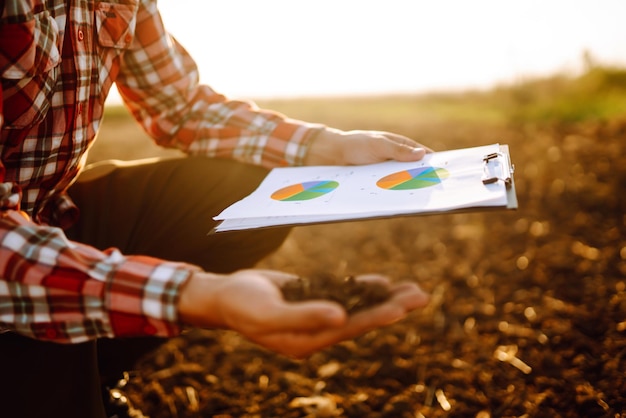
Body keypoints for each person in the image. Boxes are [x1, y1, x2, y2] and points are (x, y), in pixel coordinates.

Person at [0, 1, 431, 417]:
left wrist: (327, 145)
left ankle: (93, 371)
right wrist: (197, 295)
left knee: (245, 189)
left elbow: (179, 107)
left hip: (51, 212)